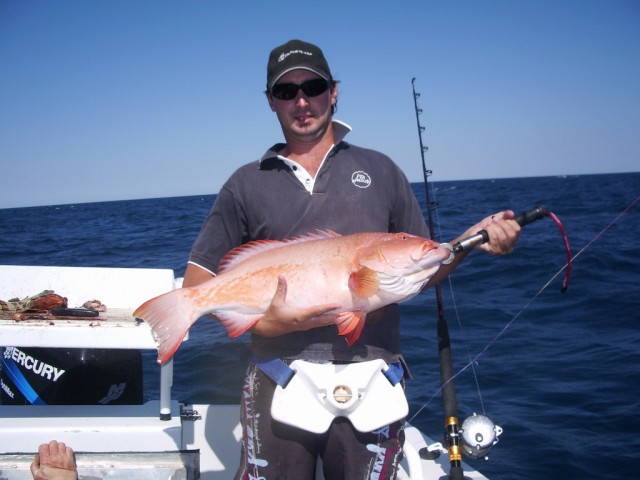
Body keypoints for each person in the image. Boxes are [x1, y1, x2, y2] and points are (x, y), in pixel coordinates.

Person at [184, 39, 520, 479]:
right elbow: (197, 286)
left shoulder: (381, 170)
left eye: (313, 86)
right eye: (286, 92)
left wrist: (470, 241)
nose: (302, 101)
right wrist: (272, 323)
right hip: (274, 373)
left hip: (372, 377)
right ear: (271, 102)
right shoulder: (245, 183)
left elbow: (427, 266)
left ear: (334, 91)